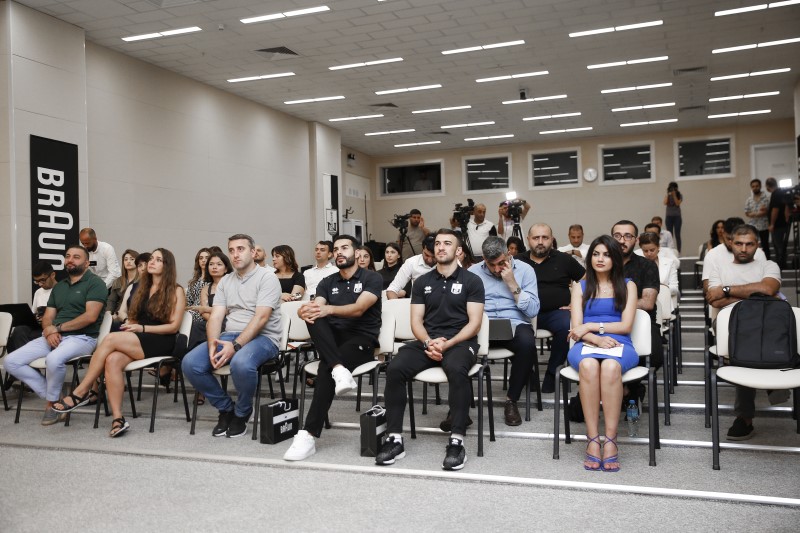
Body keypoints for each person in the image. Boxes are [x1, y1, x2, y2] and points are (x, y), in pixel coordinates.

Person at [377, 229, 485, 471]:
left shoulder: (472, 281)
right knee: (395, 368)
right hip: (428, 341)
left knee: (457, 369)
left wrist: (447, 344)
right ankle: (394, 438)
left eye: (447, 243)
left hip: (460, 342)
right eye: (437, 243)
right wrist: (428, 342)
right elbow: (416, 321)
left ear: (458, 250)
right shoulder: (422, 282)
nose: (440, 247)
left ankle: (456, 441)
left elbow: (475, 323)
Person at [52, 249, 186, 437]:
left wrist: (142, 328)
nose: (152, 262)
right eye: (151, 258)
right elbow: (135, 316)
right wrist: (132, 324)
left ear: (167, 266)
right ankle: (118, 418)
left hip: (161, 340)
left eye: (158, 260)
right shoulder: (142, 287)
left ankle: (82, 391)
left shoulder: (176, 290)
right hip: (138, 337)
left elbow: (173, 327)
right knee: (112, 360)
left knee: (110, 338)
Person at [283, 235, 383, 461]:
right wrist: (304, 310)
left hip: (361, 340)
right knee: (313, 318)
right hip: (332, 341)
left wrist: (327, 310)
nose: (339, 252)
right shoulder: (327, 282)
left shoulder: (372, 278)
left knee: (325, 369)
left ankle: (308, 434)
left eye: (344, 248)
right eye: (336, 249)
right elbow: (317, 307)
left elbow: (359, 308)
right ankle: (339, 369)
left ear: (356, 252)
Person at [182, 234, 282, 439]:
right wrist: (212, 343)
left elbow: (261, 318)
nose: (235, 254)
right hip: (229, 336)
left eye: (241, 249)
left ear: (253, 252)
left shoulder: (267, 277)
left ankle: (242, 412)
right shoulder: (226, 281)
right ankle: (226, 408)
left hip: (264, 338)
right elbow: (216, 317)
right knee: (190, 363)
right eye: (231, 250)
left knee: (241, 362)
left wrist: (235, 346)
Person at [4, 246, 107, 425]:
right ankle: (57, 397)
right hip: (54, 336)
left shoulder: (95, 283)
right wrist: (48, 330)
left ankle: (51, 404)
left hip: (82, 338)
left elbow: (90, 316)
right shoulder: (60, 287)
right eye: (68, 256)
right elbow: (48, 317)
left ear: (86, 263)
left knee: (53, 359)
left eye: (76, 257)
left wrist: (57, 328)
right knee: (10, 361)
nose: (70, 260)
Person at [567, 235, 639, 471]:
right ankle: (591, 440)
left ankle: (610, 440)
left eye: (606, 255)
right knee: (588, 365)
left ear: (615, 258)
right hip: (586, 343)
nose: (600, 259)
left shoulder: (628, 285)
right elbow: (576, 328)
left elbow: (625, 325)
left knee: (609, 366)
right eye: (596, 254)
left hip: (620, 342)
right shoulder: (580, 286)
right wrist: (595, 337)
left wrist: (591, 326)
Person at [706, 224, 781, 440]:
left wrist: (727, 290)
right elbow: (714, 300)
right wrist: (759, 295)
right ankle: (746, 416)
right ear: (730, 243)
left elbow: (768, 288)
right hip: (730, 325)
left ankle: (747, 415)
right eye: (739, 243)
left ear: (758, 245)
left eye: (750, 244)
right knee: (746, 347)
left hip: (765, 324)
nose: (744, 248)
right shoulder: (719, 268)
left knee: (766, 340)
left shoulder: (769, 265)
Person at [469, 236, 539, 426]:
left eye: (501, 263)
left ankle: (511, 400)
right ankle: (460, 405)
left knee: (527, 344)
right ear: (484, 259)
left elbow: (533, 310)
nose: (496, 269)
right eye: (491, 265)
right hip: (482, 324)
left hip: (514, 322)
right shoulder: (473, 272)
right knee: (459, 346)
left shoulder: (525, 270)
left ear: (508, 254)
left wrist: (512, 283)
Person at [516, 223, 586, 393]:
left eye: (545, 238)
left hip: (555, 313)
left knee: (566, 326)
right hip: (524, 312)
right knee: (512, 330)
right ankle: (528, 374)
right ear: (528, 240)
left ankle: (552, 375)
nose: (540, 242)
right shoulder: (517, 261)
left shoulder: (564, 259)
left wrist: (576, 303)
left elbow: (587, 280)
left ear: (552, 239)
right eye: (536, 238)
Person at [612, 220, 661, 367]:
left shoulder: (647, 265)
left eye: (628, 236)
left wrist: (611, 305)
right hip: (608, 320)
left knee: (654, 358)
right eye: (617, 236)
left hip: (640, 321)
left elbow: (647, 303)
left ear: (636, 240)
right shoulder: (602, 264)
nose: (622, 241)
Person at [702, 217, 767, 295]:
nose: (730, 243)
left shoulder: (758, 253)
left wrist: (727, 292)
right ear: (723, 233)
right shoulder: (712, 254)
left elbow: (765, 288)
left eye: (737, 241)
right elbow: (709, 290)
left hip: (754, 302)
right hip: (725, 303)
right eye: (728, 238)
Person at [7, 261, 58, 352]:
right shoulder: (38, 292)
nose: (40, 284)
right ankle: (22, 357)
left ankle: (25, 356)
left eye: (42, 280)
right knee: (18, 330)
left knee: (22, 335)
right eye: (37, 281)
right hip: (38, 327)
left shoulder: (62, 290)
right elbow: (34, 312)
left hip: (54, 327)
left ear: (53, 275)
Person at [386, 234, 436, 299]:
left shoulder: (445, 263)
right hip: (417, 303)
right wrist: (395, 304)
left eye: (434, 257)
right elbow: (392, 290)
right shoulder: (411, 262)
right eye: (426, 255)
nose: (429, 260)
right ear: (422, 249)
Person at [638, 232, 679, 297]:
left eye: (652, 250)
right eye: (645, 251)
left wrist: (659, 288)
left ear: (658, 247)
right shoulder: (637, 264)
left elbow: (675, 288)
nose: (649, 253)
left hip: (664, 299)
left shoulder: (669, 263)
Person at [107, 249, 139, 319]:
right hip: (117, 314)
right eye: (126, 259)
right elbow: (112, 300)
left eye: (132, 259)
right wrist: (108, 314)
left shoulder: (142, 280)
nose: (128, 261)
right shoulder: (118, 281)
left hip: (134, 315)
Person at [767, 177, 791, 269]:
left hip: (777, 225)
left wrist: (772, 224)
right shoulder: (782, 192)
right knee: (781, 246)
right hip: (783, 223)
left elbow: (775, 210)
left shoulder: (775, 194)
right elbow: (786, 207)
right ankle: (782, 264)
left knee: (778, 246)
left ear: (767, 186)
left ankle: (781, 265)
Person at [744, 178, 771, 260]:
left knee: (765, 245)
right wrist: (756, 214)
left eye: (757, 186)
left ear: (760, 186)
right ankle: (754, 261)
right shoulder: (749, 200)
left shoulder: (766, 198)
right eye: (753, 186)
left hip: (764, 226)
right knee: (752, 244)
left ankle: (766, 261)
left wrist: (755, 214)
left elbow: (767, 211)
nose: (755, 188)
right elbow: (746, 212)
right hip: (753, 226)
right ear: (751, 188)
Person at [663, 182, 683, 252]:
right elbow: (665, 203)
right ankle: (670, 251)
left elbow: (677, 203)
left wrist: (674, 195)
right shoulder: (667, 195)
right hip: (669, 217)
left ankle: (679, 251)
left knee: (677, 234)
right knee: (669, 234)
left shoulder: (679, 195)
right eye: (671, 188)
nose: (672, 190)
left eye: (674, 188)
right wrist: (668, 195)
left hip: (677, 217)